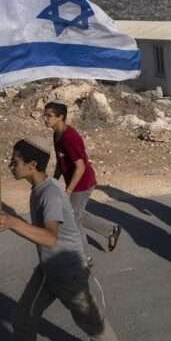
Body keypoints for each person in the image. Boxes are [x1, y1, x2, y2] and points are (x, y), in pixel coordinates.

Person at [0, 137, 126, 341]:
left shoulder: (50, 194)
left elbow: (50, 238)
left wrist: (13, 224)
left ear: (32, 165)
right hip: (49, 269)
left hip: (70, 272)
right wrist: (9, 224)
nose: (10, 166)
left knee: (93, 324)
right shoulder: (39, 188)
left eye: (15, 162)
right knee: (23, 320)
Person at [44, 102, 121, 264]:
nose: (45, 119)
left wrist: (69, 190)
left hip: (82, 183)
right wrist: (54, 180)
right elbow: (60, 160)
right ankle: (111, 229)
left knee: (73, 219)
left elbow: (80, 166)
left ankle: (84, 256)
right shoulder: (56, 134)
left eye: (49, 116)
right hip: (73, 182)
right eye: (45, 115)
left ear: (60, 117)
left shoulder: (69, 138)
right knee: (77, 214)